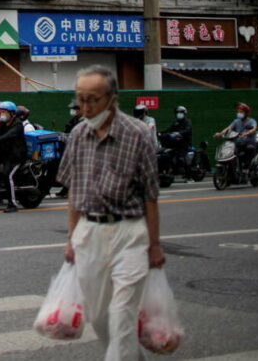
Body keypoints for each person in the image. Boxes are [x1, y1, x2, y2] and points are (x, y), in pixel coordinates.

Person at [59, 65, 164, 360]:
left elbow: (150, 196)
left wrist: (155, 245)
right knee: (99, 317)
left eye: (92, 100)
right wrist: (71, 238)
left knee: (122, 314)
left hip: (129, 232)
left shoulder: (138, 134)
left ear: (112, 99)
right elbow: (73, 192)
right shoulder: (78, 135)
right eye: (80, 99)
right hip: (89, 233)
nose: (85, 107)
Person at [159, 106, 192, 175]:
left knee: (181, 158)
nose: (179, 114)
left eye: (180, 113)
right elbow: (169, 129)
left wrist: (179, 133)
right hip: (175, 143)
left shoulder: (187, 122)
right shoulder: (175, 123)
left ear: (184, 113)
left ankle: (188, 174)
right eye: (177, 113)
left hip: (184, 143)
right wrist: (160, 133)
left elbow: (187, 130)